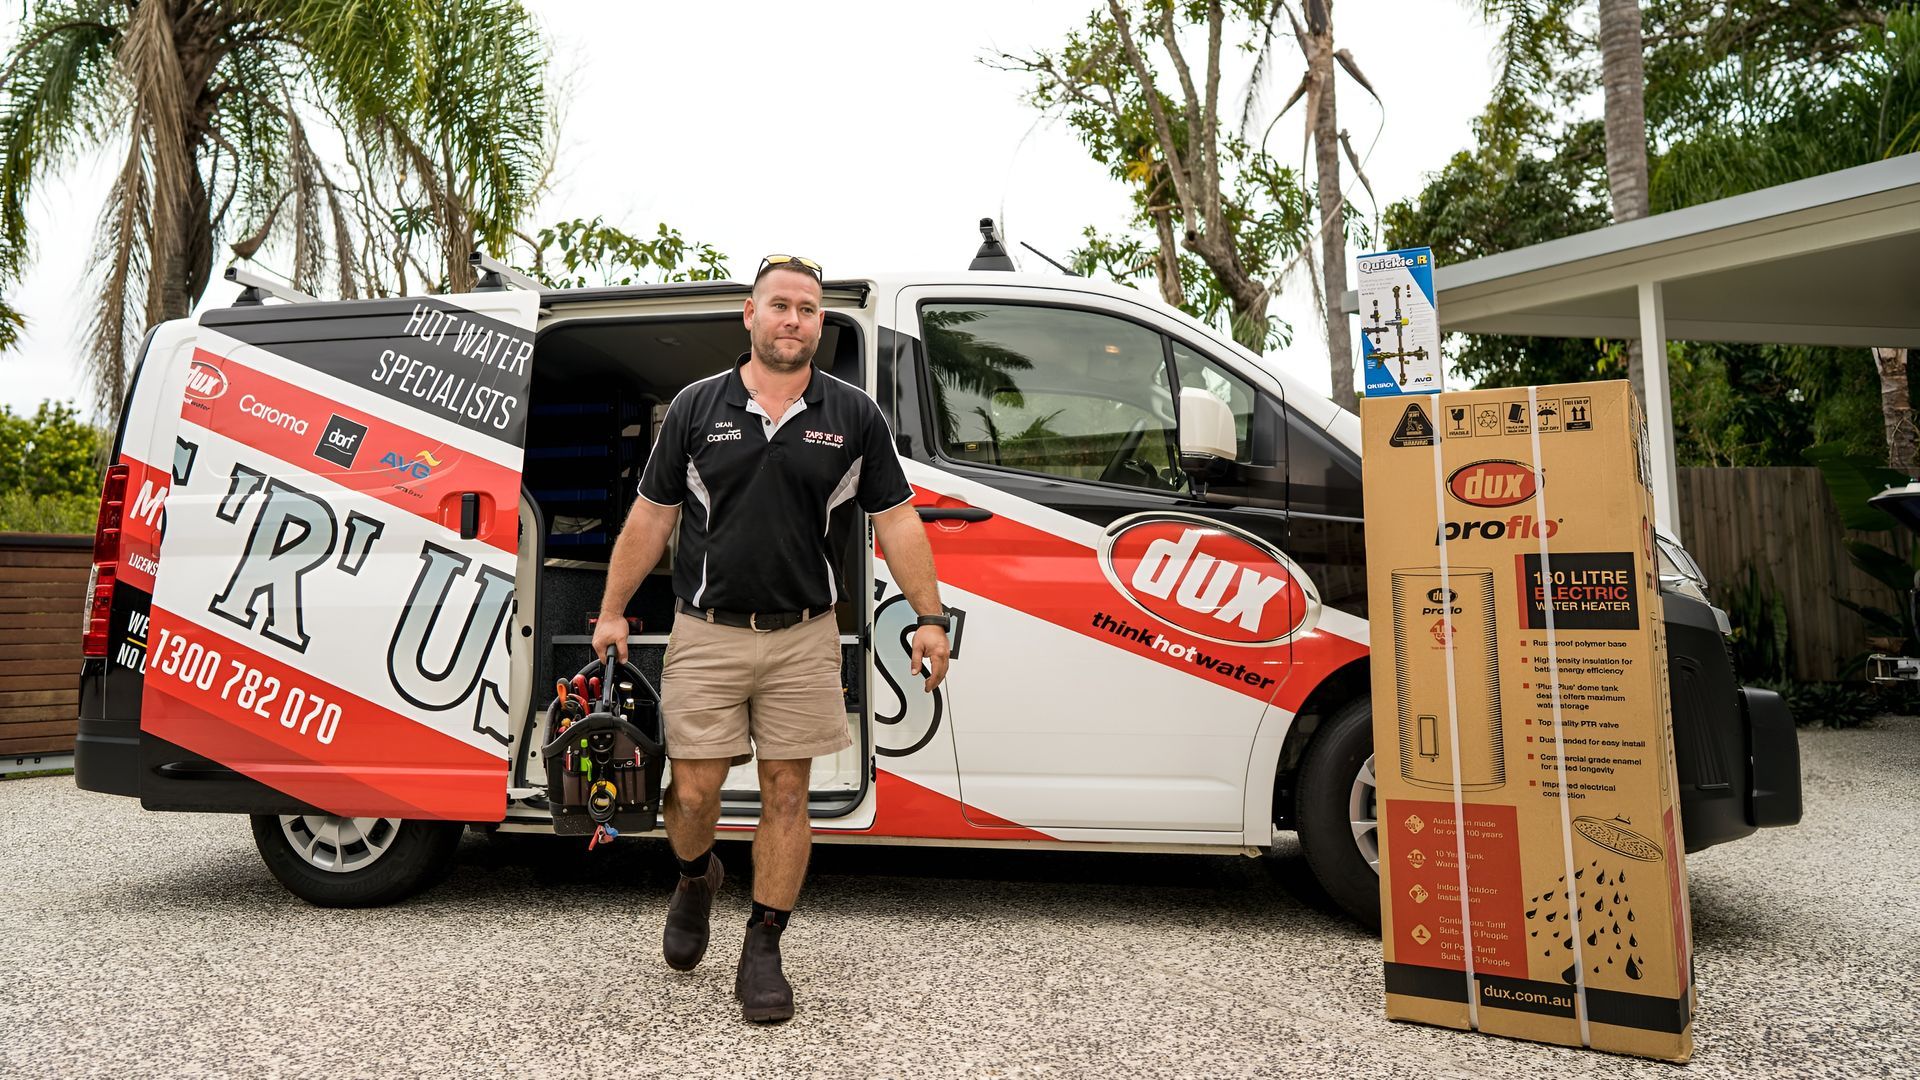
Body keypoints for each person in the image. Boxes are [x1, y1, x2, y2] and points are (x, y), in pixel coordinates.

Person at [592, 254, 951, 1023]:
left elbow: (896, 520)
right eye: (780, 305)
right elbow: (652, 516)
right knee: (691, 791)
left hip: (803, 637)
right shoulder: (696, 406)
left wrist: (928, 616)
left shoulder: (852, 414)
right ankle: (695, 877)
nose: (794, 320)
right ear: (748, 316)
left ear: (821, 322)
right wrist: (613, 610)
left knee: (789, 792)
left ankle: (763, 945)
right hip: (706, 631)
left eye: (809, 309)